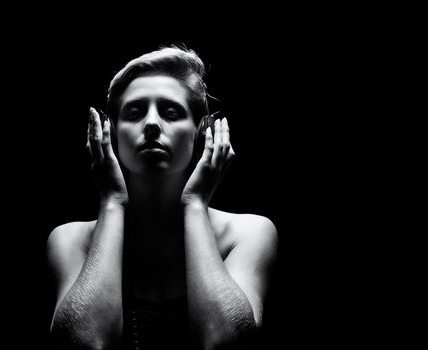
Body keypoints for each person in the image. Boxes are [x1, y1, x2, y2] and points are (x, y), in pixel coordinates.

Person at [47, 45, 278, 349]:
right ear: (110, 132)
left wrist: (194, 204)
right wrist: (112, 202)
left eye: (171, 113)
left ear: (202, 132)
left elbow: (223, 340)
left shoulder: (247, 233)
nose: (152, 124)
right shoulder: (70, 239)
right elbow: (87, 340)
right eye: (135, 111)